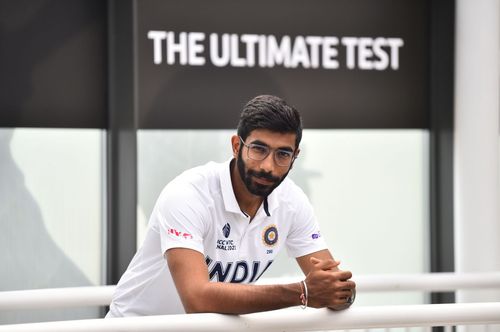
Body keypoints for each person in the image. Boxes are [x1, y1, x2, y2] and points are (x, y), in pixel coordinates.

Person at [106, 95, 356, 317]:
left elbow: (333, 288)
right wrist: (302, 293)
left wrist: (341, 292)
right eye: (259, 149)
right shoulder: (188, 193)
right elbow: (197, 298)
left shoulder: (292, 202)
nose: (268, 166)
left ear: (294, 157)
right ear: (237, 146)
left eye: (282, 154)